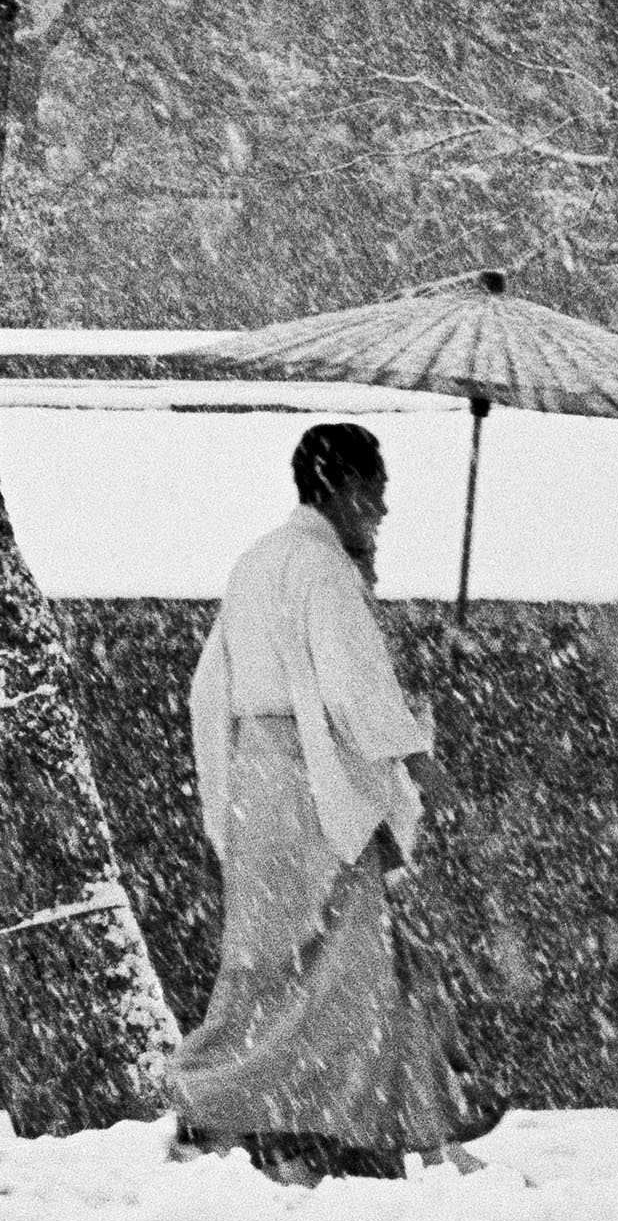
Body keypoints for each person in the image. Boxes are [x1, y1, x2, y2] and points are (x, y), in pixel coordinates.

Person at [170, 419, 478, 1181]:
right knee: (348, 966)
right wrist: (413, 752)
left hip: (257, 782)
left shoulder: (257, 562)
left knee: (270, 965)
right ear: (337, 486)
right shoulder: (320, 569)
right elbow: (353, 685)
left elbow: (212, 682)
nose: (380, 508)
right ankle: (329, 1125)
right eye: (373, 490)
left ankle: (320, 1116)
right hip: (313, 787)